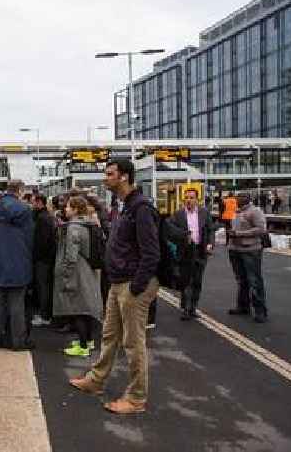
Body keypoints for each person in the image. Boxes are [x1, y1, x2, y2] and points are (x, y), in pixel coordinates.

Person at [69, 159, 160, 415]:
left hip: (132, 284)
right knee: (109, 336)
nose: (105, 178)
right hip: (118, 282)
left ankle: (136, 398)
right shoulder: (123, 207)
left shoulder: (141, 208)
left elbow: (151, 252)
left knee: (133, 343)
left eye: (110, 174)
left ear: (124, 177)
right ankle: (96, 380)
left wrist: (137, 286)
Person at [0, 180, 35, 350]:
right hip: (19, 261)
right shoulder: (24, 209)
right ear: (20, 191)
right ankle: (18, 341)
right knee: (17, 304)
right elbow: (30, 238)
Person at [54, 196, 102, 357]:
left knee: (78, 308)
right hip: (88, 270)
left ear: (75, 210)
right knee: (86, 308)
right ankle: (88, 341)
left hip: (77, 273)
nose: (65, 209)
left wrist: (65, 276)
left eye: (68, 207)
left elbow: (71, 256)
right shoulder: (88, 223)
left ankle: (82, 346)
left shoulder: (74, 228)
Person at [166, 188, 215, 320]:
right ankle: (186, 309)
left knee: (197, 281)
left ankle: (193, 307)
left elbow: (210, 229)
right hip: (186, 251)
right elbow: (168, 228)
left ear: (197, 199)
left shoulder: (204, 213)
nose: (188, 200)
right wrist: (183, 236)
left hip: (200, 250)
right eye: (186, 198)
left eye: (191, 198)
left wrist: (210, 243)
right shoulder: (178, 214)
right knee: (187, 280)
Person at [228, 192, 269, 323]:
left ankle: (260, 311)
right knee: (241, 280)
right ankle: (243, 306)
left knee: (254, 280)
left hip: (250, 250)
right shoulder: (236, 211)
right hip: (235, 250)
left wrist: (239, 234)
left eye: (241, 197)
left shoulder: (255, 211)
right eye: (237, 197)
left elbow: (261, 229)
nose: (238, 199)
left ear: (248, 199)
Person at [31, 194, 56, 326]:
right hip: (46, 259)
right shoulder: (46, 217)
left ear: (39, 202)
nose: (31, 205)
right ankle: (44, 313)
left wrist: (35, 256)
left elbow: (43, 241)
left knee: (43, 287)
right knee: (44, 287)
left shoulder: (42, 219)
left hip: (43, 260)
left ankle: (45, 316)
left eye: (33, 202)